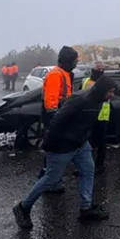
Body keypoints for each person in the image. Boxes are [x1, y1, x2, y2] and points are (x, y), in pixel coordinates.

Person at [13, 75, 118, 229]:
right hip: (62, 145)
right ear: (102, 90)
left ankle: (86, 208)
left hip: (80, 143)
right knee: (51, 178)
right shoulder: (79, 99)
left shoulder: (98, 100)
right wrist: (48, 143)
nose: (112, 95)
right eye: (110, 92)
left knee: (88, 170)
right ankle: (23, 207)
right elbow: (57, 120)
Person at [38, 46, 80, 189]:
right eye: (75, 60)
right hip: (55, 118)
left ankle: (49, 178)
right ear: (69, 60)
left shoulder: (65, 73)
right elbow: (51, 101)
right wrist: (56, 119)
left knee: (54, 149)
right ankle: (48, 181)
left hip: (60, 116)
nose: (76, 63)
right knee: (53, 150)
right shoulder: (56, 74)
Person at [81, 62, 120, 174]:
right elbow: (80, 95)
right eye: (98, 68)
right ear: (92, 69)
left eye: (102, 69)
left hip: (102, 117)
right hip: (88, 116)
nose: (100, 70)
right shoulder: (85, 81)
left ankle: (99, 166)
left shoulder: (105, 83)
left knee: (100, 143)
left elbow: (117, 92)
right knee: (86, 142)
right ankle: (85, 166)